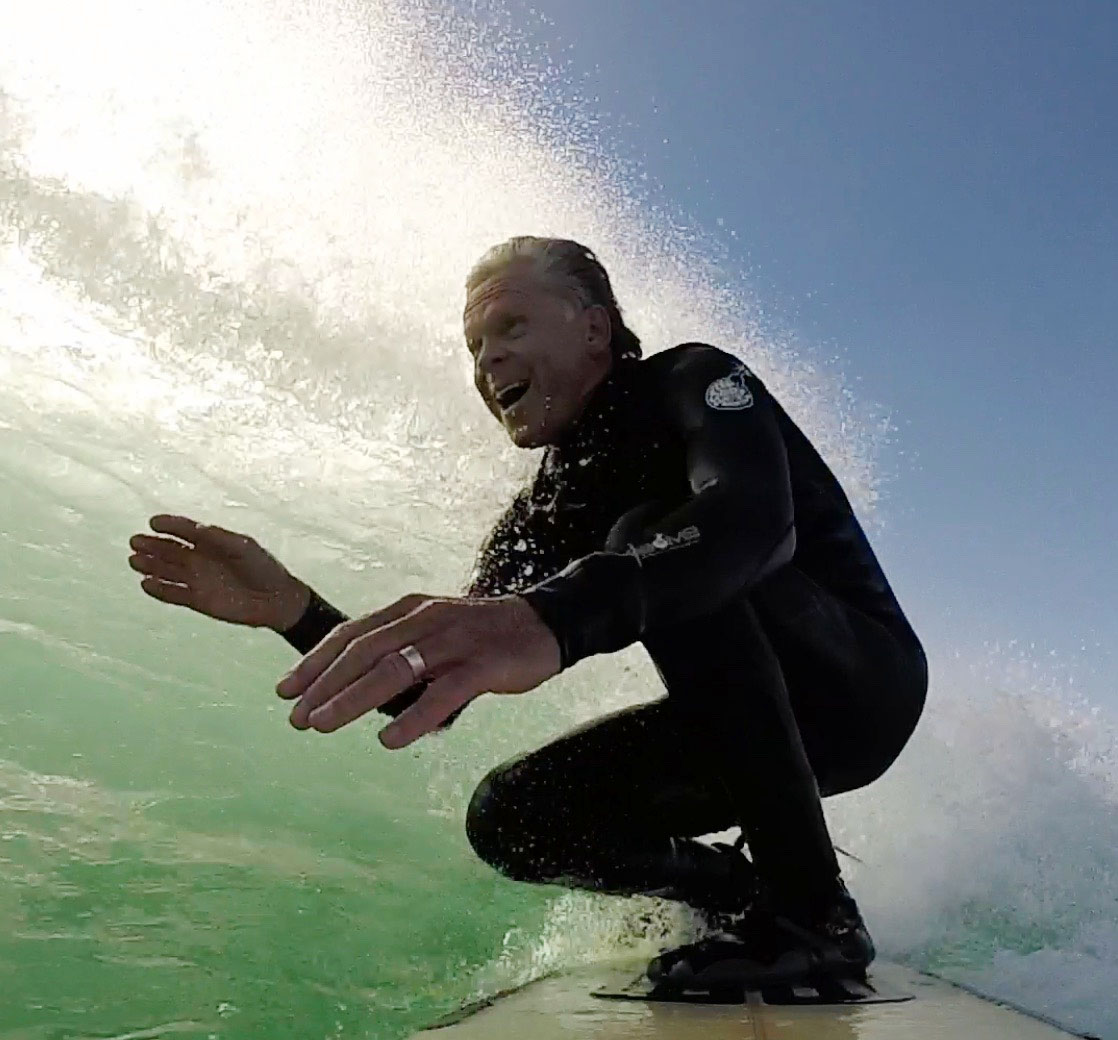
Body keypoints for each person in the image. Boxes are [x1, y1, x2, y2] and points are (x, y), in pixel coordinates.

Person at [127, 236, 927, 992]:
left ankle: (815, 914)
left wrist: (557, 615)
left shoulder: (692, 380)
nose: (487, 360)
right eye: (474, 347)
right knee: (512, 818)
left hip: (860, 685)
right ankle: (735, 893)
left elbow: (756, 524)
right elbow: (434, 688)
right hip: (745, 729)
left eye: (509, 327)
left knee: (648, 534)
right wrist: (296, 610)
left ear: (593, 329)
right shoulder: (544, 512)